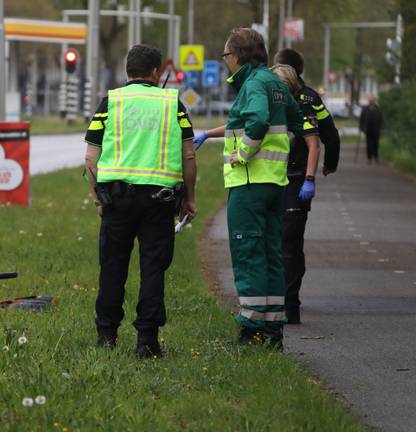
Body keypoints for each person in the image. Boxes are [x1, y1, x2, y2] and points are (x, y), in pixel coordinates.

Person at [192, 28, 304, 349]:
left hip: (250, 182)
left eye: (226, 55)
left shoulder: (254, 84)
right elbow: (297, 123)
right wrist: (279, 155)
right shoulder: (274, 83)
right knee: (271, 255)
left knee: (248, 254)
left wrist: (242, 154)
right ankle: (272, 330)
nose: (225, 62)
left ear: (238, 55)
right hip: (274, 182)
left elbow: (256, 120)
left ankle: (251, 330)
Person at [84, 44, 197, 359]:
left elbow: (91, 157)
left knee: (112, 267)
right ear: (156, 72)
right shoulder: (172, 104)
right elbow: (189, 154)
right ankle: (147, 342)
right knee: (153, 269)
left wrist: (98, 198)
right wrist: (190, 198)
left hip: (116, 200)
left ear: (127, 72)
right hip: (159, 202)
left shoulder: (111, 102)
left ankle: (106, 336)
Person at [273, 49, 341, 324]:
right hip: (297, 176)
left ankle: (288, 304)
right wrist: (331, 164)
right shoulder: (313, 97)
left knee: (284, 240)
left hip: (286, 175)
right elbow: (331, 133)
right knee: (290, 241)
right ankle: (288, 301)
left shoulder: (279, 95)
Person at [360, 96, 384, 164]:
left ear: (374, 101)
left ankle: (376, 158)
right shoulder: (365, 109)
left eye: (372, 100)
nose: (371, 101)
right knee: (369, 145)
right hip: (368, 130)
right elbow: (361, 120)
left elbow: (381, 120)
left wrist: (381, 128)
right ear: (368, 101)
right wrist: (362, 128)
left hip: (376, 130)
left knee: (376, 144)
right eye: (370, 100)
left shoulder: (378, 109)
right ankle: (369, 158)